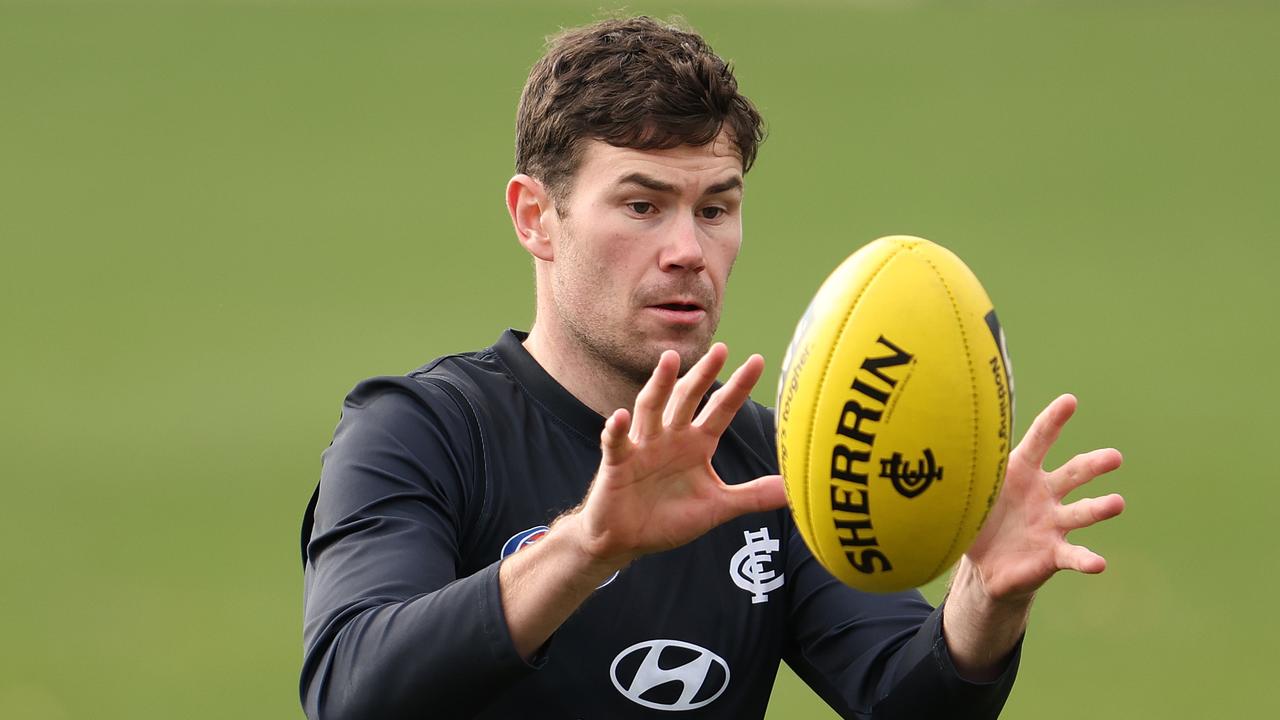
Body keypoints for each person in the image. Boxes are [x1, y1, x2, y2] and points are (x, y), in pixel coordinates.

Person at [300, 16, 1125, 720]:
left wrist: (986, 602)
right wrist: (589, 547)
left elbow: (900, 697)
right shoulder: (421, 432)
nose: (689, 252)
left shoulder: (774, 465)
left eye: (716, 209)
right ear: (536, 218)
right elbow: (351, 686)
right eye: (641, 206)